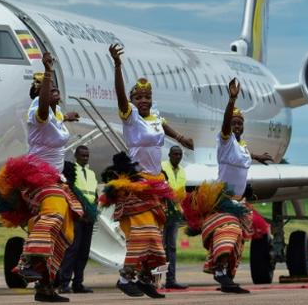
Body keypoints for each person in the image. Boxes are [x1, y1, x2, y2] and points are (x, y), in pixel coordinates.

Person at [100, 44, 194, 300]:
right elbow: (120, 95)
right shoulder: (130, 117)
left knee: (155, 239)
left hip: (155, 184)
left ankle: (145, 279)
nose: (143, 101)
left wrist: (181, 138)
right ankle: (124, 278)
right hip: (136, 183)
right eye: (139, 97)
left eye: (147, 97)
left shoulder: (154, 118)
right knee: (144, 234)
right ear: (132, 101)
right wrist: (118, 66)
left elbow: (163, 125)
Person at [0, 52, 84, 303]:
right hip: (37, 178)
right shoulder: (39, 112)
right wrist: (48, 71)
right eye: (48, 88)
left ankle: (45, 286)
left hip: (55, 178)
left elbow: (56, 117)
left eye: (55, 88)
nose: (54, 91)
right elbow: (44, 109)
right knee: (53, 216)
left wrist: (69, 116)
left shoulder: (55, 115)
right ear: (40, 92)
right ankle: (27, 261)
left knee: (66, 232)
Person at [181, 78, 254, 294]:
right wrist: (231, 101)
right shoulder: (226, 141)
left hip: (239, 202)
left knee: (238, 240)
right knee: (228, 231)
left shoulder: (242, 146)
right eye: (233, 123)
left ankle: (227, 277)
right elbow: (226, 126)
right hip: (224, 200)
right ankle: (220, 271)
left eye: (239, 123)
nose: (236, 126)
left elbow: (242, 164)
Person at [58, 145, 97, 294]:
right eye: (82, 156)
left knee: (84, 251)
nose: (85, 158)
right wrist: (81, 210)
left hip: (89, 217)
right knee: (72, 249)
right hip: (77, 215)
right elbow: (69, 192)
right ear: (76, 156)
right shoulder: (70, 170)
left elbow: (94, 194)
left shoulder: (91, 173)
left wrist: (92, 210)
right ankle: (64, 283)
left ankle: (78, 283)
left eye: (87, 156)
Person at [161, 146, 188, 289]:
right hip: (162, 212)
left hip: (175, 214)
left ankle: (171, 279)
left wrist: (181, 211)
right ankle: (155, 280)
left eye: (180, 154)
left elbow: (181, 193)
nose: (177, 156)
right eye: (175, 154)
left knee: (171, 247)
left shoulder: (183, 171)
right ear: (169, 154)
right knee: (159, 246)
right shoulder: (162, 167)